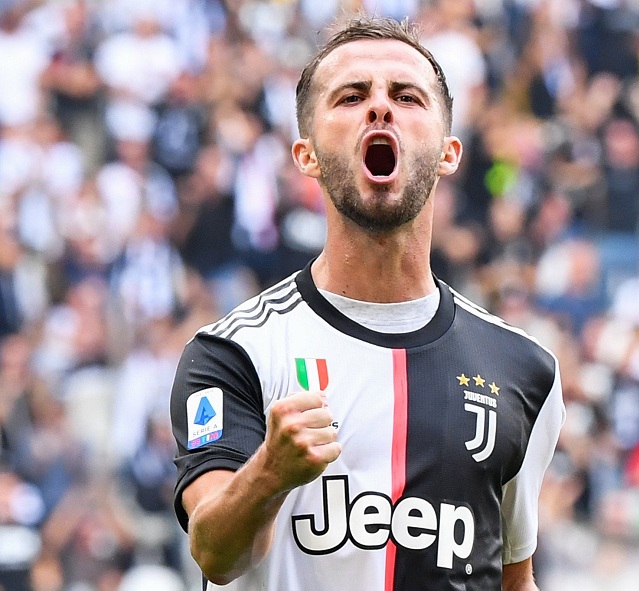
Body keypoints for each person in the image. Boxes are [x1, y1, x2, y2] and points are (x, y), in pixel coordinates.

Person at [169, 15, 565, 591]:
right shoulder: (234, 352)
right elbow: (214, 554)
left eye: (406, 97)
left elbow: (514, 580)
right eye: (351, 97)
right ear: (306, 155)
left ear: (449, 152)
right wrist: (270, 473)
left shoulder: (523, 370)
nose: (380, 107)